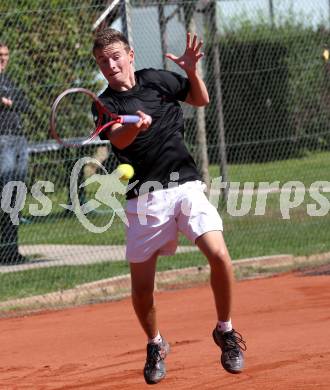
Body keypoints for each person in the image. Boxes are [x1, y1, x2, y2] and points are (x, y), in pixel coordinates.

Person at [92, 28, 246, 385]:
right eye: (102, 61)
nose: (110, 65)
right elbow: (118, 140)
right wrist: (137, 128)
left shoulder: (156, 80)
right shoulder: (104, 104)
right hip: (144, 200)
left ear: (130, 55)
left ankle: (225, 330)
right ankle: (156, 343)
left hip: (185, 185)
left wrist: (192, 71)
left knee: (220, 256)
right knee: (142, 288)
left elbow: (200, 99)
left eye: (115, 56)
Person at [0, 42, 29, 265]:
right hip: (3, 140)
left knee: (16, 194)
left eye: (6, 55)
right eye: (0, 55)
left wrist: (9, 102)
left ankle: (12, 251)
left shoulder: (8, 81)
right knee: (6, 192)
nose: (3, 59)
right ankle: (5, 250)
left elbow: (25, 103)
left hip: (19, 139)